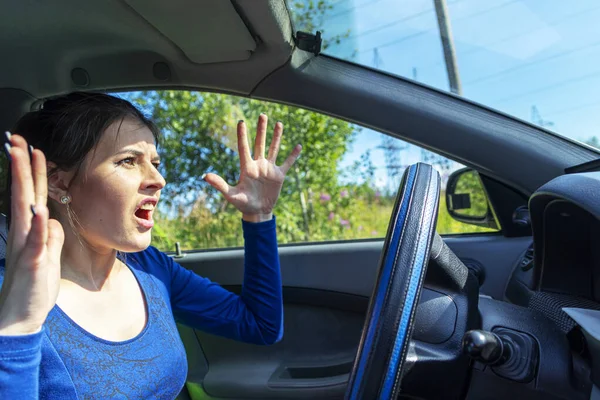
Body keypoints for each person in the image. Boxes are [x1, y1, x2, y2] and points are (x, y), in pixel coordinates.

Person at [0, 92, 302, 398]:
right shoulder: (12, 295)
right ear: (59, 182)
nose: (158, 179)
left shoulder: (151, 268)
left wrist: (258, 215)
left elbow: (260, 325)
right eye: (129, 161)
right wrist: (18, 327)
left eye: (155, 163)